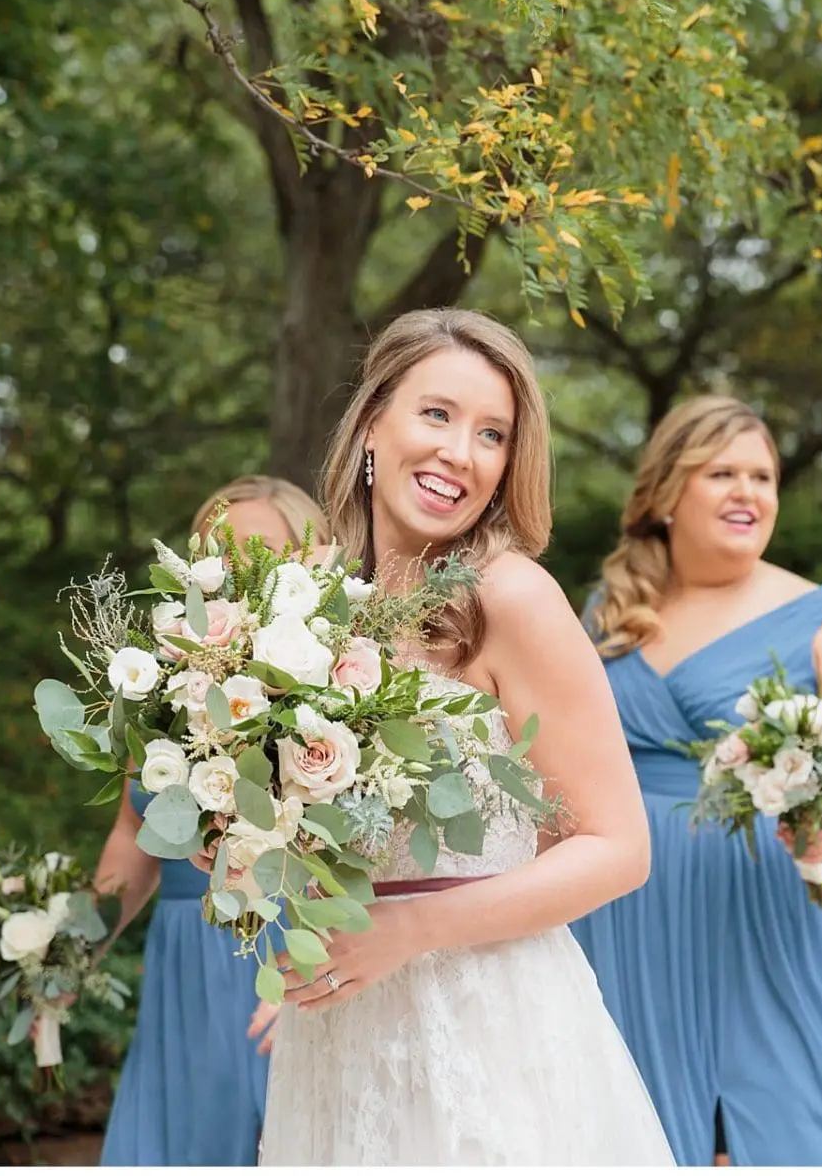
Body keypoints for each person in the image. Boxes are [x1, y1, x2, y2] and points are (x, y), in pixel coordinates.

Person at [254, 308, 673, 1165]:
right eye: (437, 415)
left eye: (492, 435)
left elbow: (619, 847)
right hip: (338, 1027)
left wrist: (410, 932)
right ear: (374, 423)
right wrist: (238, 836)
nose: (460, 453)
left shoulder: (509, 598)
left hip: (485, 1019)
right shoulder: (309, 605)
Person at [569, 394, 822, 1166]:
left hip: (771, 901)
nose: (748, 492)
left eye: (762, 476)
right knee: (637, 1125)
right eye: (721, 472)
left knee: (800, 1119)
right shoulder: (609, 611)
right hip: (629, 908)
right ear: (666, 493)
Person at [97, 476, 329, 1166]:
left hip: (280, 972)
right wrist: (72, 942)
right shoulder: (156, 687)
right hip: (180, 981)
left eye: (261, 554)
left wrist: (315, 980)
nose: (235, 571)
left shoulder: (329, 697)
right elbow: (129, 833)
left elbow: (371, 860)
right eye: (219, 554)